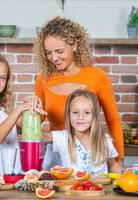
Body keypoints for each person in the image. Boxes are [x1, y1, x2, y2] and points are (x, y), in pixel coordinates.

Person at [34, 16, 124, 169]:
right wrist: (23, 114)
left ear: (74, 45)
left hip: (90, 154)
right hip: (57, 154)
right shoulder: (43, 79)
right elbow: (38, 119)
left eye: (59, 51)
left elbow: (113, 120)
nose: (54, 58)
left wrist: (119, 158)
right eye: (48, 53)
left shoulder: (97, 76)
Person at [43, 90, 124, 176]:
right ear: (68, 115)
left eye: (87, 113)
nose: (80, 117)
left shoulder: (104, 140)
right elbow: (37, 135)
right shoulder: (62, 138)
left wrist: (131, 175)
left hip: (101, 188)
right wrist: (29, 112)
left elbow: (113, 165)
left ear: (94, 116)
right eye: (75, 112)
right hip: (72, 188)